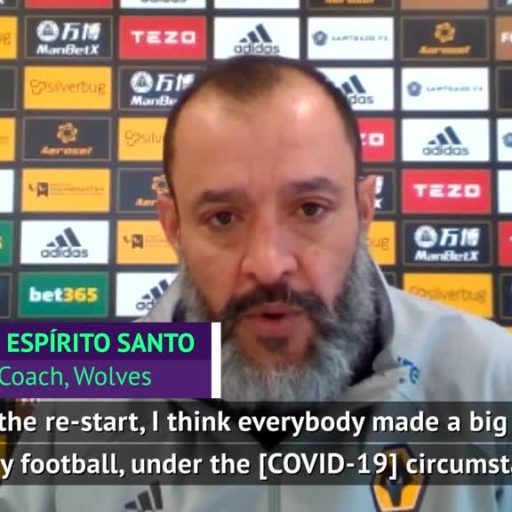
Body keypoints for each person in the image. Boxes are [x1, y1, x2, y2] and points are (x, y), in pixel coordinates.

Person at [1, 56, 512, 511]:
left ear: (363, 210)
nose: (268, 265)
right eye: (223, 218)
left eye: (310, 209)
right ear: (173, 226)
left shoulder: (487, 378)